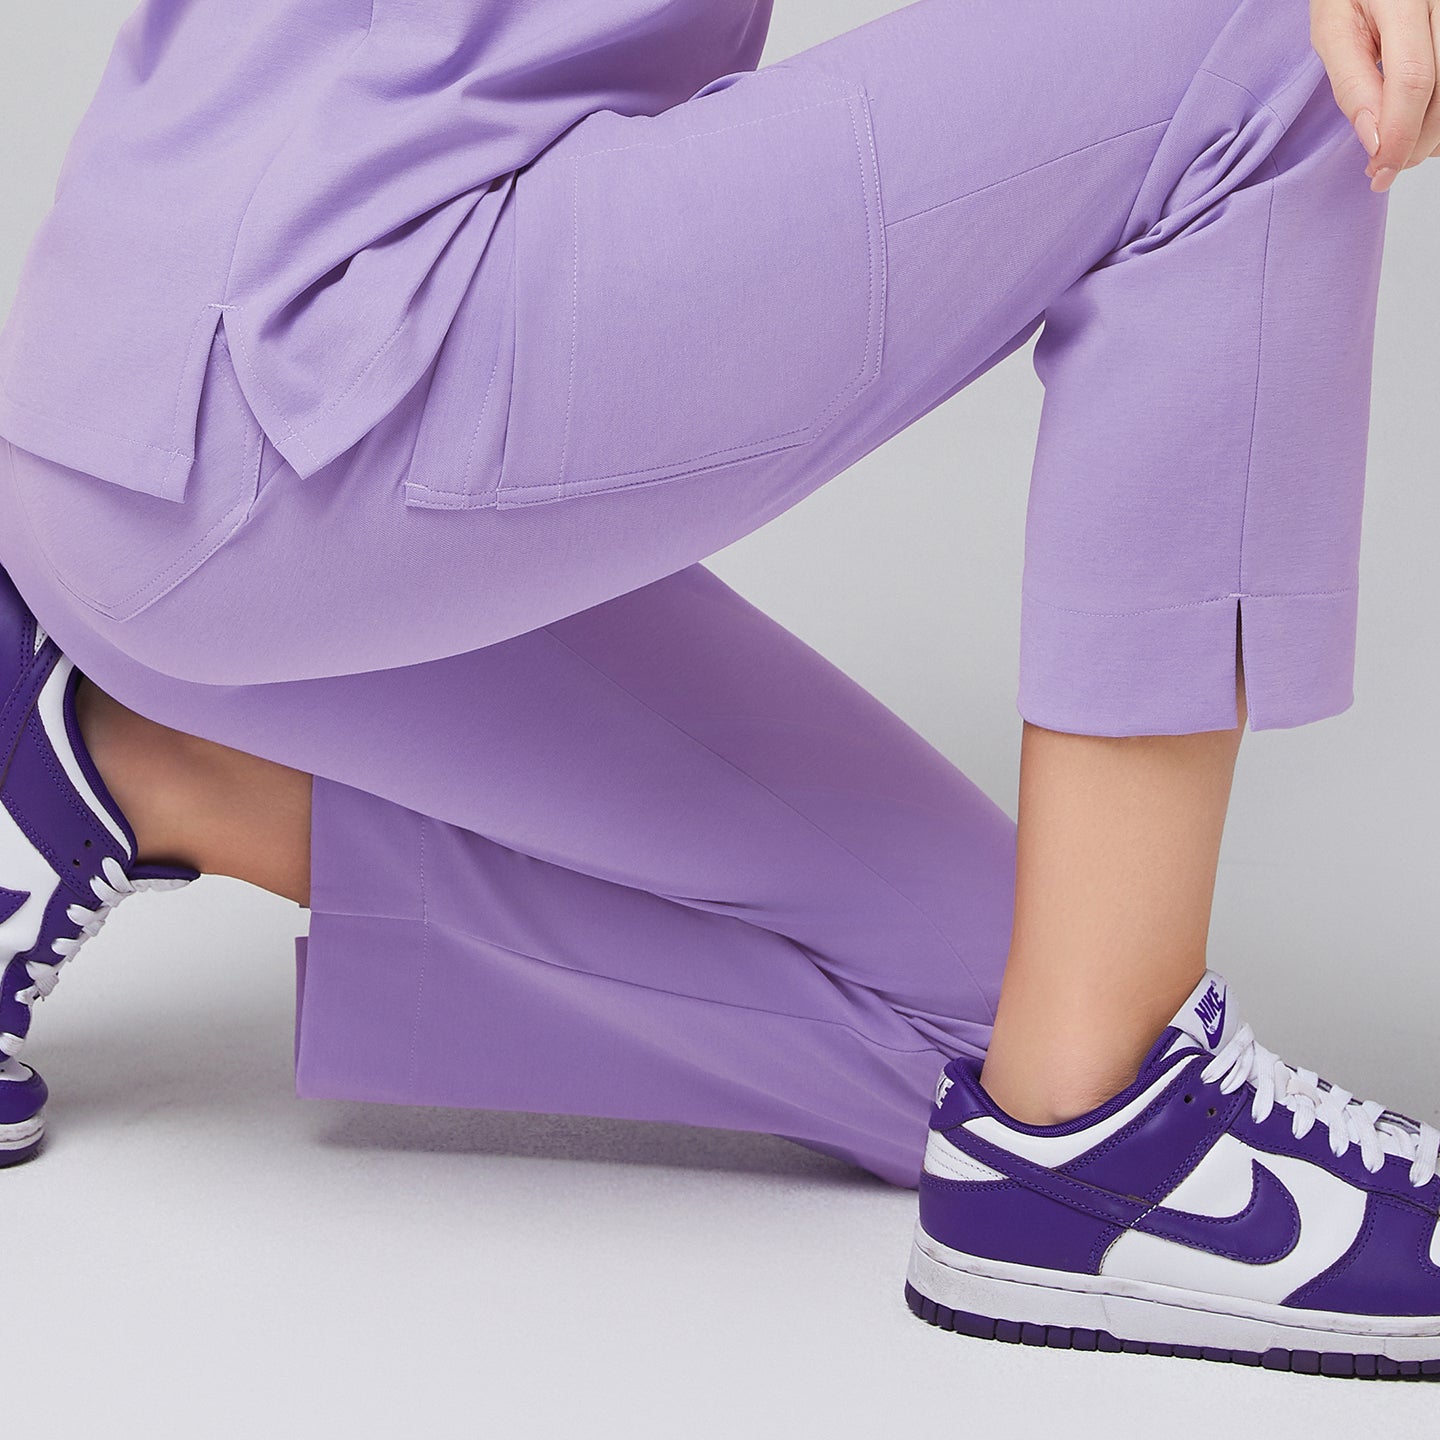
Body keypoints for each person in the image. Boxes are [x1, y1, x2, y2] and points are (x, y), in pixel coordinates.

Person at [0, 0, 1435, 1378]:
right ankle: (1115, 1127)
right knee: (1268, 46)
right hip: (316, 377)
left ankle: (128, 755)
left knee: (992, 1036)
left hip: (129, 421)